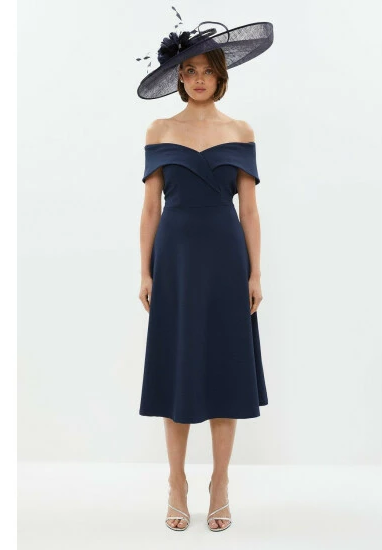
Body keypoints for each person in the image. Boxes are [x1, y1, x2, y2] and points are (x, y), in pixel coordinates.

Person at [136, 16, 274, 532]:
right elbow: (150, 208)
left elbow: (250, 211)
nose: (198, 78)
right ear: (179, 76)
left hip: (225, 261)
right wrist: (145, 271)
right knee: (177, 368)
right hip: (174, 261)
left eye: (207, 70)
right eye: (189, 70)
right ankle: (176, 483)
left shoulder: (240, 131)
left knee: (224, 369)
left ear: (221, 75)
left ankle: (220, 483)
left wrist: (255, 273)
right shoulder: (159, 130)